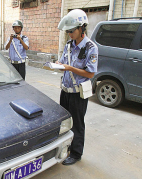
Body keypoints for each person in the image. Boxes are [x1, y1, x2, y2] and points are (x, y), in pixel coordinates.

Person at [57, 9, 98, 165]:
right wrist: (59, 66)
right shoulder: (69, 45)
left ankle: (76, 153)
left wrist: (69, 68)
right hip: (66, 90)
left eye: (72, 30)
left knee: (77, 124)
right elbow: (63, 64)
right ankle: (66, 148)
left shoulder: (90, 48)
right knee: (65, 122)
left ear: (82, 28)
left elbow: (90, 74)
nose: (69, 34)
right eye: (68, 31)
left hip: (78, 94)